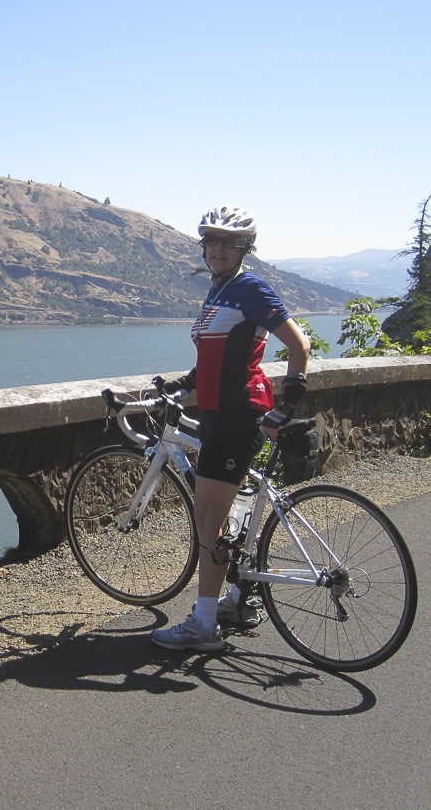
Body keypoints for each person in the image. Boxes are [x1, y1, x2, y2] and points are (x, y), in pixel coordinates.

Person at [150, 205, 311, 651]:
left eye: (231, 242)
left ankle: (203, 626)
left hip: (238, 415)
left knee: (208, 521)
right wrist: (184, 385)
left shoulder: (250, 289)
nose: (219, 249)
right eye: (212, 241)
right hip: (218, 413)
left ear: (245, 249)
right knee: (221, 518)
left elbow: (299, 345)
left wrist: (288, 405)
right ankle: (238, 598)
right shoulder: (219, 291)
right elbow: (216, 361)